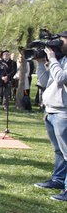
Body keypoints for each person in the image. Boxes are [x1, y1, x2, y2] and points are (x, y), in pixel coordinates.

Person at [34, 31, 67, 201]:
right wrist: (41, 63)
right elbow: (45, 81)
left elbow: (61, 78)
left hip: (64, 113)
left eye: (61, 41)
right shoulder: (60, 60)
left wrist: (52, 58)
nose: (58, 44)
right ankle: (59, 180)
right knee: (59, 151)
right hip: (51, 110)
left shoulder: (61, 61)